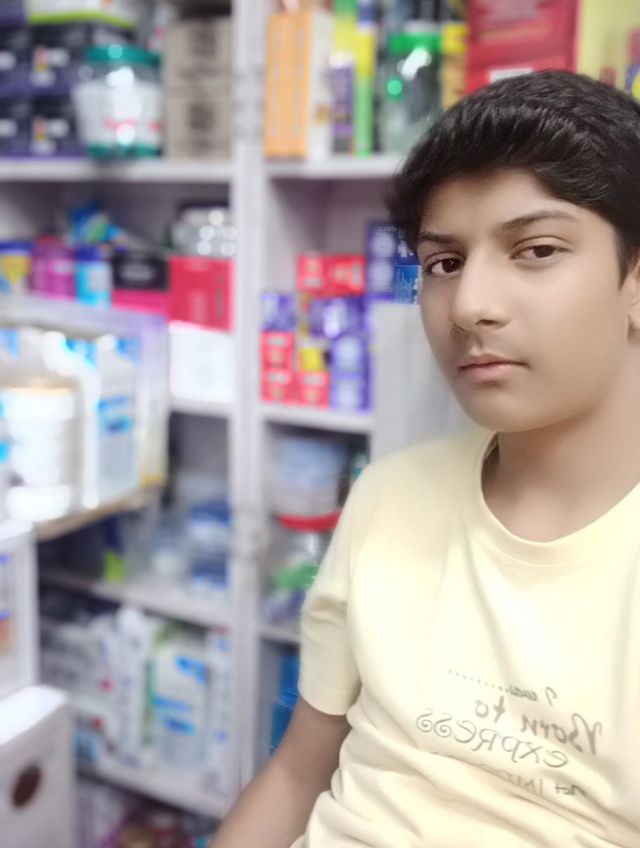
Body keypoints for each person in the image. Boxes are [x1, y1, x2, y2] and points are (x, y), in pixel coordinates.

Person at [210, 69, 640, 847]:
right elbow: (297, 774)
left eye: (536, 250)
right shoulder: (389, 495)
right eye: (443, 264)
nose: (470, 305)